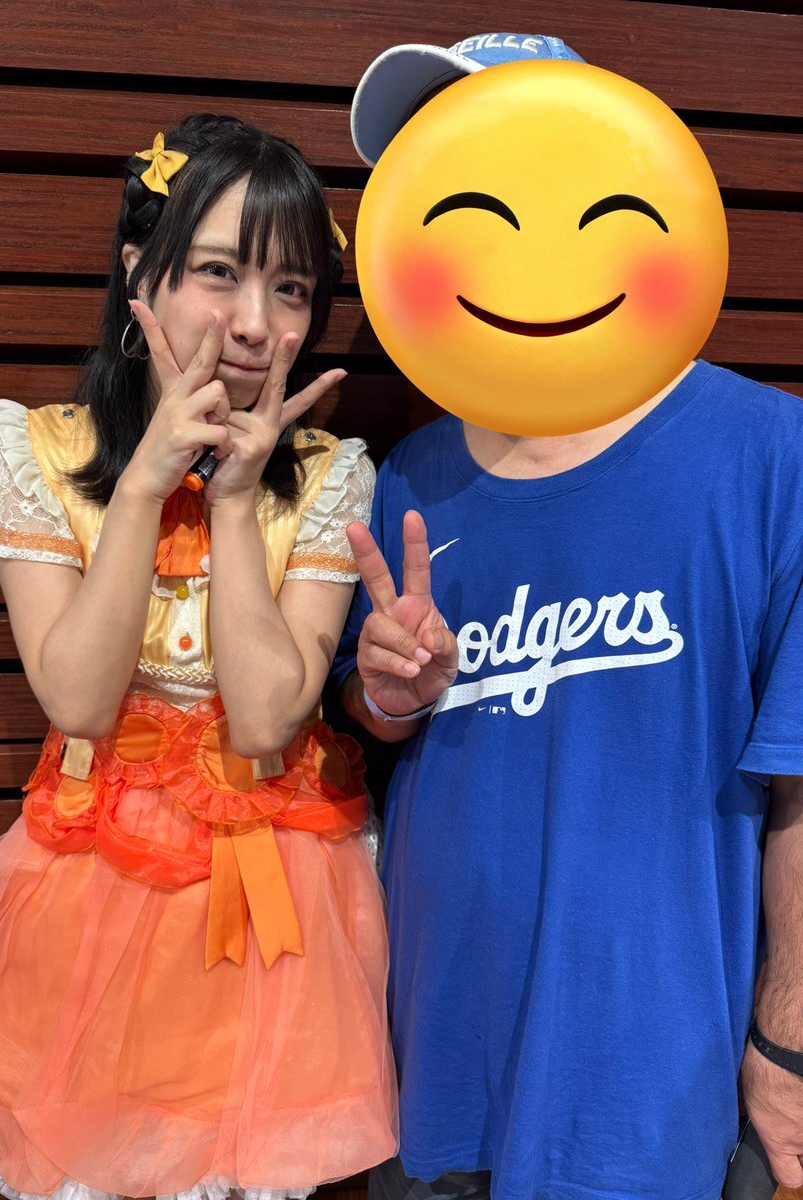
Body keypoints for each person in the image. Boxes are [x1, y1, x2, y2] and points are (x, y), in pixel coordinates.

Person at [333, 33, 803, 1200]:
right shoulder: (413, 474)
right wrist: (387, 694)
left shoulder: (770, 453)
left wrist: (789, 1038)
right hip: (437, 1064)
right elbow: (374, 719)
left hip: (655, 1086)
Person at [0, 113, 397, 1200]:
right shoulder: (36, 450)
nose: (256, 323)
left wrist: (232, 499)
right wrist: (142, 484)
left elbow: (265, 718)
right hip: (90, 885)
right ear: (140, 269)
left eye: (292, 289)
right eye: (219, 272)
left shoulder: (330, 472)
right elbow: (79, 700)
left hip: (276, 903)